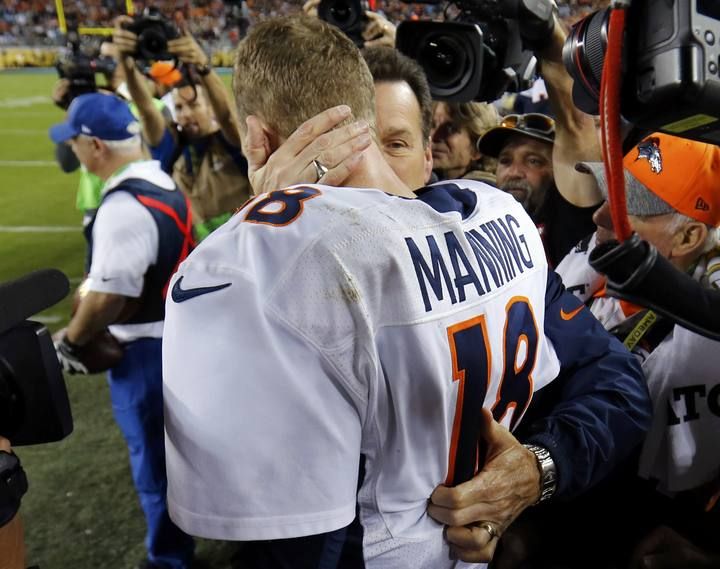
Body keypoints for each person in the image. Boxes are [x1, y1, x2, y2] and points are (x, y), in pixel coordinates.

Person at [162, 15, 649, 568]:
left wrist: (541, 466)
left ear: (429, 154)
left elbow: (289, 538)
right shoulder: (499, 217)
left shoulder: (250, 270)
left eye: (397, 143)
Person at [534, 132, 720, 569]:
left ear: (689, 235)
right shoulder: (585, 271)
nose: (599, 213)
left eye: (625, 205)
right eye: (608, 192)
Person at [49, 93, 195, 569]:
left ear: (95, 146)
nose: (71, 151)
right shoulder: (162, 183)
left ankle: (170, 559)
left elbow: (110, 295)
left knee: (155, 466)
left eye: (74, 143)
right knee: (180, 459)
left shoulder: (123, 205)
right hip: (176, 340)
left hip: (143, 352)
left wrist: (72, 339)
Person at [112, 23, 251, 240]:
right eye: (178, 107)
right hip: (194, 256)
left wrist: (203, 67)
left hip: (241, 246)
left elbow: (227, 116)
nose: (185, 114)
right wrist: (128, 67)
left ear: (209, 108)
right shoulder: (173, 145)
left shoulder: (230, 143)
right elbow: (147, 110)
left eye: (193, 105)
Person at [431, 101, 499, 185]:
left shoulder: (483, 194)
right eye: (432, 125)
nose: (433, 136)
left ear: (476, 149)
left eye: (451, 129)